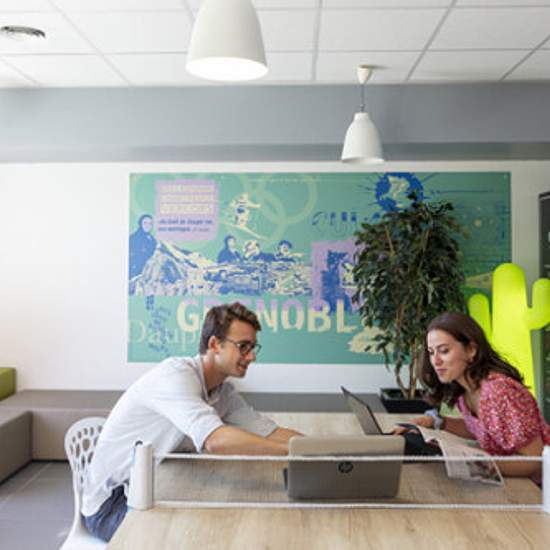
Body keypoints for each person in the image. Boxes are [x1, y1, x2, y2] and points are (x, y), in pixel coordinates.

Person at [81, 302, 301, 542]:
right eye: (243, 346)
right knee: (198, 537)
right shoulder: (175, 376)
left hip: (153, 484)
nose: (252, 356)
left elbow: (269, 432)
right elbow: (215, 440)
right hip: (112, 503)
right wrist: (292, 452)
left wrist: (320, 450)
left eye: (253, 347)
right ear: (215, 344)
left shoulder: (223, 392)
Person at [394, 311, 550, 479]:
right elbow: (484, 429)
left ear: (471, 350)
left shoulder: (498, 391)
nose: (435, 361)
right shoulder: (465, 391)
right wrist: (436, 422)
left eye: (444, 351)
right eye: (431, 352)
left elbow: (533, 460)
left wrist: (474, 462)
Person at [128, 214, 157, 279]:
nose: (148, 226)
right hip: (136, 273)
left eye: (150, 223)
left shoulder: (152, 240)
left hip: (149, 272)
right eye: (145, 223)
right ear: (140, 224)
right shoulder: (134, 238)